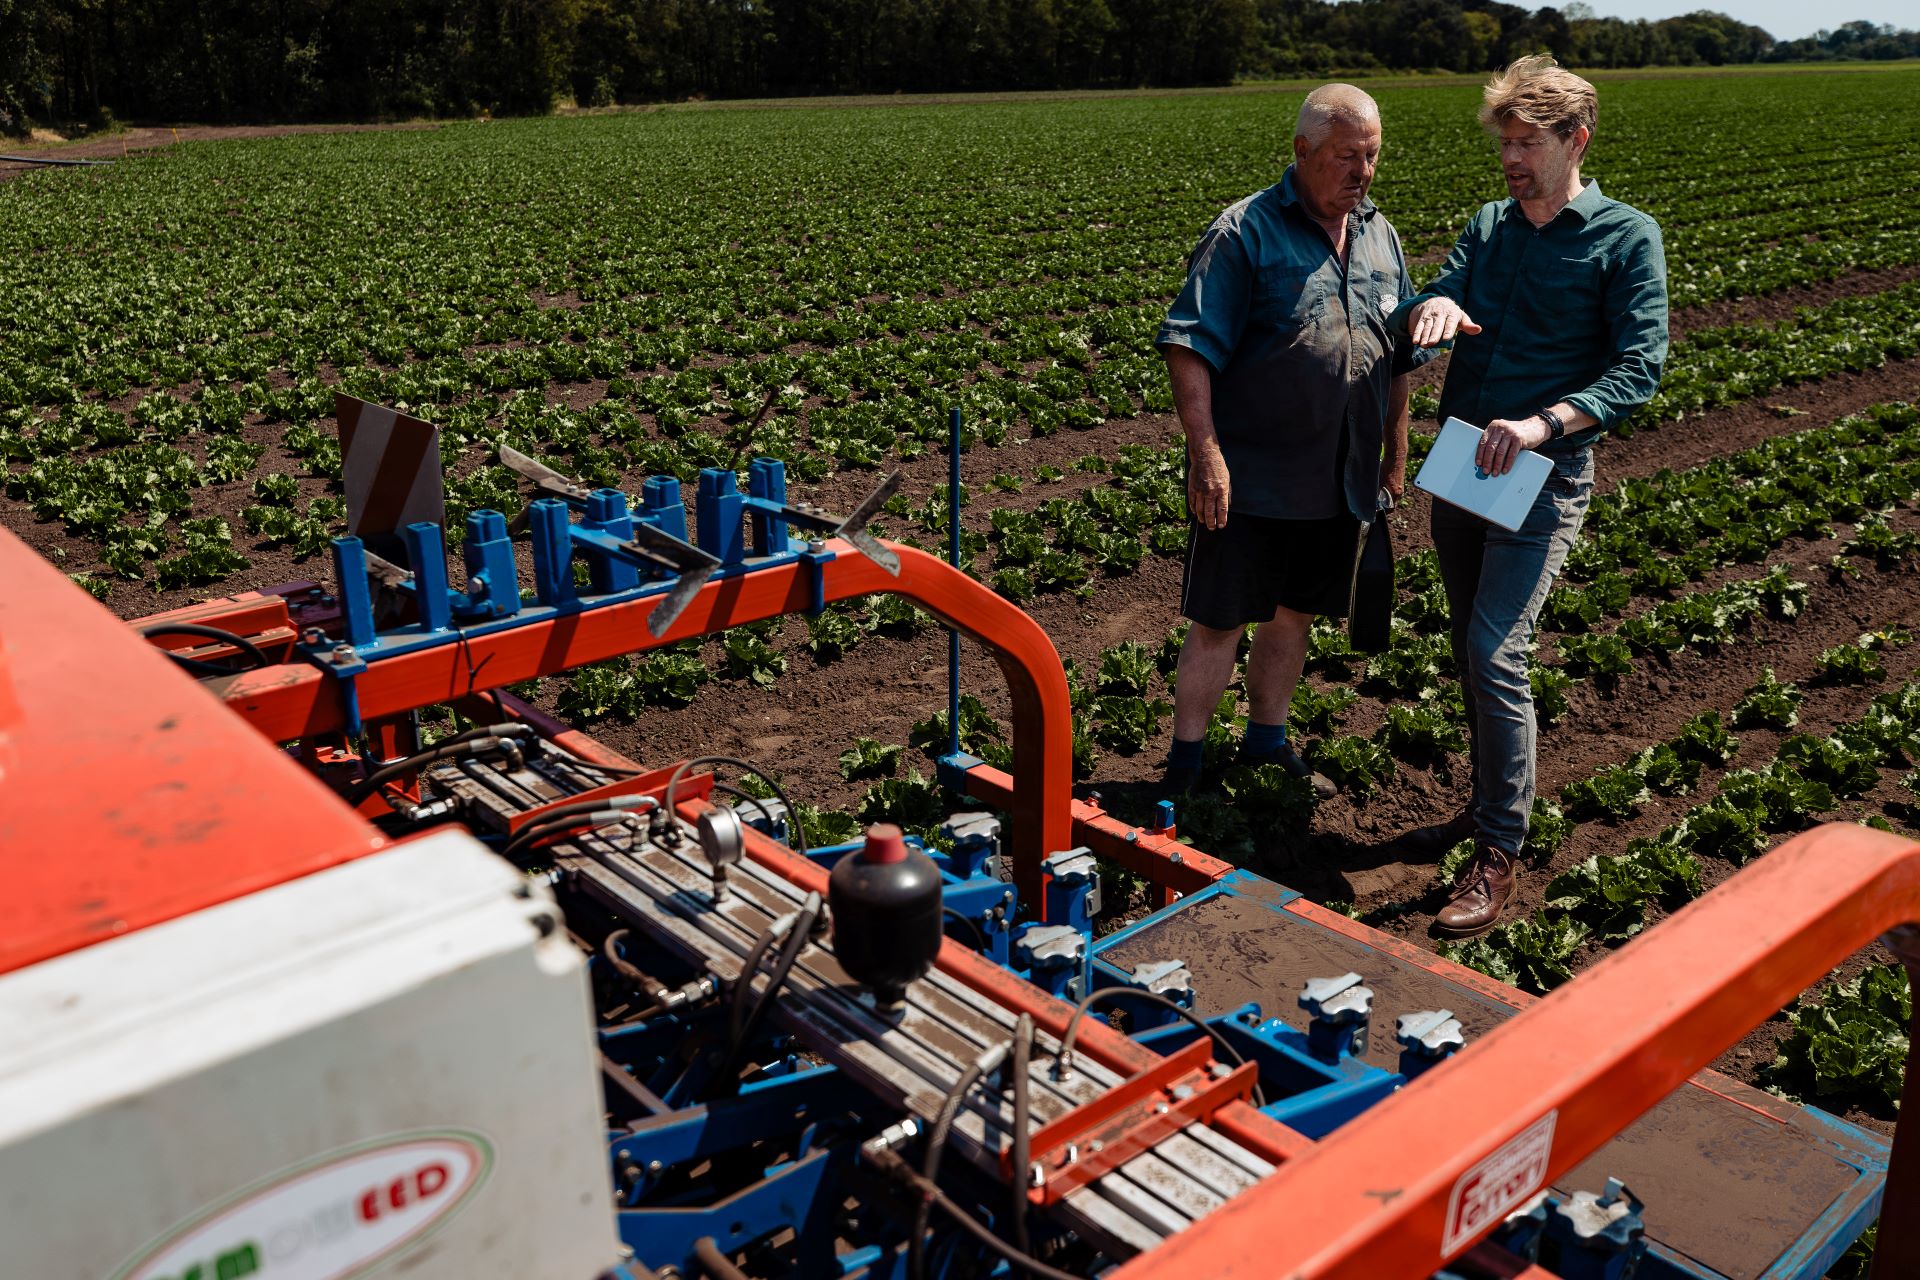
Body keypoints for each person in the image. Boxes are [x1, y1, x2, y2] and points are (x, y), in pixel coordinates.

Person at [1392, 55, 1669, 938]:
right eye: (1504, 143)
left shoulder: (1626, 237)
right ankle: (1484, 807)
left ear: (1574, 140)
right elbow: (1444, 286)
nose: (1510, 159)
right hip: (1466, 460)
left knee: (1494, 650)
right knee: (1471, 649)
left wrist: (1548, 423)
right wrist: (1431, 309)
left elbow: (1639, 367)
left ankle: (1497, 852)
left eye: (1526, 143)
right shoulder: (1490, 226)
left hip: (1542, 470)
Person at [1153, 84, 1429, 800]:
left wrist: (1394, 459)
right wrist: (1206, 455)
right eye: (1345, 157)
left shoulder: (1379, 234)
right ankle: (1185, 764)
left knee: (1294, 614)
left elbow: (1397, 357)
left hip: (1337, 477)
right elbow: (1190, 347)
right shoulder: (1244, 231)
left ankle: (1265, 742)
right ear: (1302, 152)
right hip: (1251, 476)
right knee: (1219, 620)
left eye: (1371, 157)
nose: (1361, 173)